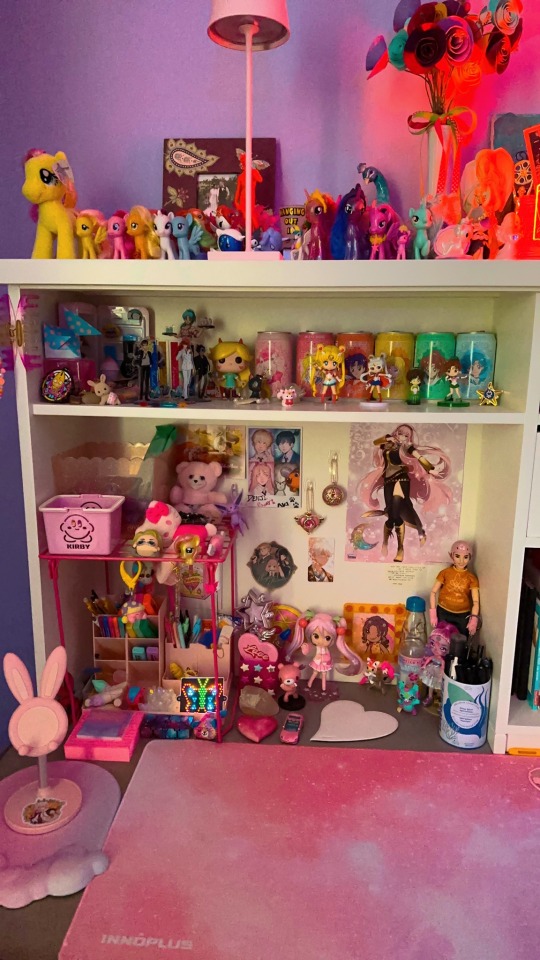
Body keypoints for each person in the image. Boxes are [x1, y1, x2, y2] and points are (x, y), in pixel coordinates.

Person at [359, 423, 451, 563]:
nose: (402, 436)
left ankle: (400, 549)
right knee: (392, 514)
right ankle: (386, 541)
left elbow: (419, 458)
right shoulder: (387, 444)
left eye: (406, 435)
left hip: (401, 478)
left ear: (409, 438)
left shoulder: (408, 447)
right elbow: (375, 442)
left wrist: (430, 469)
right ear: (396, 432)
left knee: (397, 503)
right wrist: (388, 438)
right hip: (388, 481)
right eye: (401, 433)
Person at [429, 540, 480, 638]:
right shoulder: (445, 573)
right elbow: (433, 592)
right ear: (451, 556)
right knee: (441, 639)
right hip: (443, 611)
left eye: (465, 557)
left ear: (470, 557)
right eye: (457, 556)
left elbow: (476, 601)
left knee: (460, 640)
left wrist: (474, 619)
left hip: (462, 615)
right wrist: (433, 614)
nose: (461, 561)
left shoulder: (471, 578)